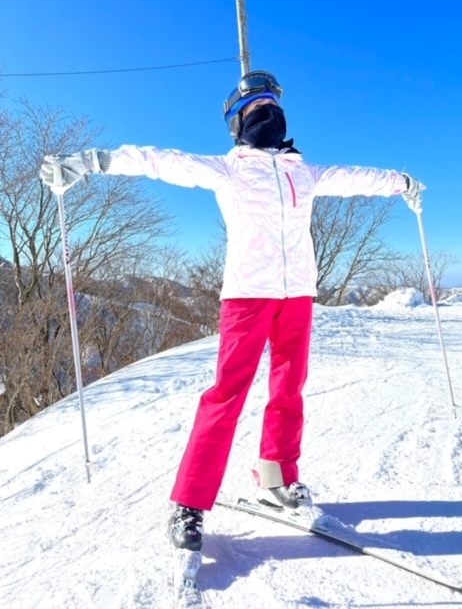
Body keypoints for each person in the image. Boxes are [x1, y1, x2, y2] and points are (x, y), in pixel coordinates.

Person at [41, 69, 425, 554]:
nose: (267, 111)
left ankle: (277, 478)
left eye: (272, 103)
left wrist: (401, 183)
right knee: (227, 394)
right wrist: (93, 161)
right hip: (247, 295)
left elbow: (356, 178)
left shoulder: (304, 173)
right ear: (237, 122)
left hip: (298, 295)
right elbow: (160, 161)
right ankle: (189, 501)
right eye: (255, 107)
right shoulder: (228, 169)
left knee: (290, 389)